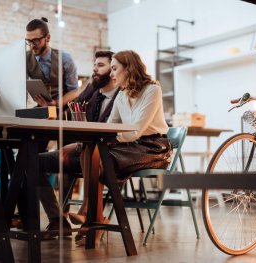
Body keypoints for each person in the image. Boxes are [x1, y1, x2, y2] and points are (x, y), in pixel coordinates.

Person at [74, 50, 173, 245]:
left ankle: (92, 215)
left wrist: (108, 138)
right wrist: (101, 138)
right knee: (89, 150)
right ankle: (94, 216)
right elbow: (111, 127)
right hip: (130, 145)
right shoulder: (122, 94)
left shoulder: (152, 89)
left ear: (128, 69)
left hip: (153, 148)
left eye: (114, 69)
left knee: (98, 156)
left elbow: (136, 130)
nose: (111, 74)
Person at [37, 51, 119, 239]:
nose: (94, 69)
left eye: (100, 65)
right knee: (30, 160)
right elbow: (69, 110)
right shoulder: (91, 89)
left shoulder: (122, 96)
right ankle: (57, 220)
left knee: (91, 154)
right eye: (94, 64)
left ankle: (91, 215)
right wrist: (51, 107)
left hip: (105, 155)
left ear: (113, 71)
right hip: (81, 149)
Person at [25, 17, 78, 107]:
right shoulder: (25, 58)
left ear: (48, 38)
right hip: (41, 109)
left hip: (63, 110)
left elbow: (74, 91)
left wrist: (56, 104)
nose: (31, 46)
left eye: (36, 41)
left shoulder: (65, 58)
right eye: (28, 41)